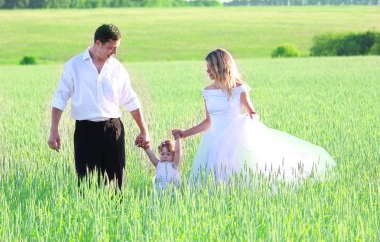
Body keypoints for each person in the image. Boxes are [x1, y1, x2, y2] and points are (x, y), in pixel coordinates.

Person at [172, 48, 336, 185]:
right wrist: (185, 133)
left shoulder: (238, 88)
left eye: (210, 67)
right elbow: (208, 122)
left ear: (220, 66)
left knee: (238, 177)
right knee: (214, 180)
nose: (207, 71)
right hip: (213, 140)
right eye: (206, 67)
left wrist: (250, 121)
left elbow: (252, 113)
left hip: (234, 138)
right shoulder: (207, 91)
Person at [48, 24, 149, 189]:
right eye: (111, 48)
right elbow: (60, 98)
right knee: (87, 185)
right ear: (97, 44)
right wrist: (54, 130)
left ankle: (117, 214)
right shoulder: (74, 65)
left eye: (116, 48)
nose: (114, 53)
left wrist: (144, 131)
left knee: (117, 185)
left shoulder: (117, 68)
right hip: (85, 131)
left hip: (113, 130)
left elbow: (131, 100)